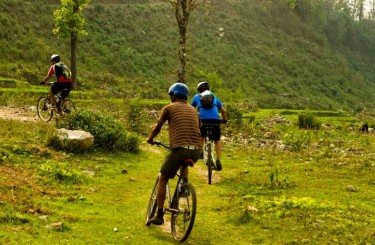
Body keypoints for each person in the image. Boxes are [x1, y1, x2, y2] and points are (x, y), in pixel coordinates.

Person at [147, 82, 202, 225]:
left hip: (179, 150)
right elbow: (200, 130)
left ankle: (159, 215)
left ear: (174, 96)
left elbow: (157, 127)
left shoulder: (169, 108)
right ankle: (184, 187)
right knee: (183, 164)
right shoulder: (193, 110)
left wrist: (150, 139)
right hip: (196, 150)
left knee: (163, 178)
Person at [191, 81, 227, 171]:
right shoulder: (214, 97)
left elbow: (191, 109)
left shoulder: (196, 97)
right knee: (217, 140)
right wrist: (224, 120)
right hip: (215, 121)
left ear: (199, 90)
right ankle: (218, 160)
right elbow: (223, 111)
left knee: (201, 135)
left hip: (203, 121)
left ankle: (201, 152)